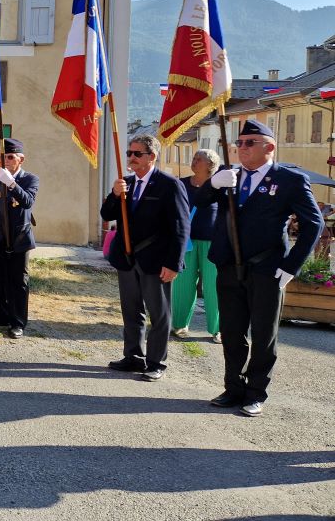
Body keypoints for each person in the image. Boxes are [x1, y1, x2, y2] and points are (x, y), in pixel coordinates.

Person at [196, 119, 322, 417]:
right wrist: (213, 184)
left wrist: (291, 266)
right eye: (239, 143)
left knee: (263, 334)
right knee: (231, 331)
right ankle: (233, 388)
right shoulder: (231, 176)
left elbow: (313, 223)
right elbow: (199, 201)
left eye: (250, 143)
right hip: (229, 266)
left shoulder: (289, 180)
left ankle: (255, 393)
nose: (242, 148)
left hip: (267, 268)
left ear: (270, 147)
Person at [100, 134, 189, 382]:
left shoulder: (169, 185)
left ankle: (156, 362)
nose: (131, 158)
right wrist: (114, 194)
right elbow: (106, 214)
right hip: (127, 258)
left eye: (137, 154)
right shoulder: (126, 183)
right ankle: (133, 356)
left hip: (155, 260)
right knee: (131, 310)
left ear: (152, 156)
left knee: (159, 314)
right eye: (129, 153)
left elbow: (181, 227)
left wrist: (173, 263)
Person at [0, 138, 39, 339]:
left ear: (21, 159)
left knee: (18, 281)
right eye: (4, 157)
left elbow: (27, 201)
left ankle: (17, 322)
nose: (6, 160)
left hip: (19, 237)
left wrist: (12, 184)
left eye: (11, 157)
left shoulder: (30, 179)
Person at [172, 148, 222, 343]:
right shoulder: (182, 184)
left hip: (213, 243)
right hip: (186, 242)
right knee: (183, 285)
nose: (194, 161)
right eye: (194, 158)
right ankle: (179, 324)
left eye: (198, 159)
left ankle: (217, 329)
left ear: (211, 165)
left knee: (213, 287)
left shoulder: (219, 186)